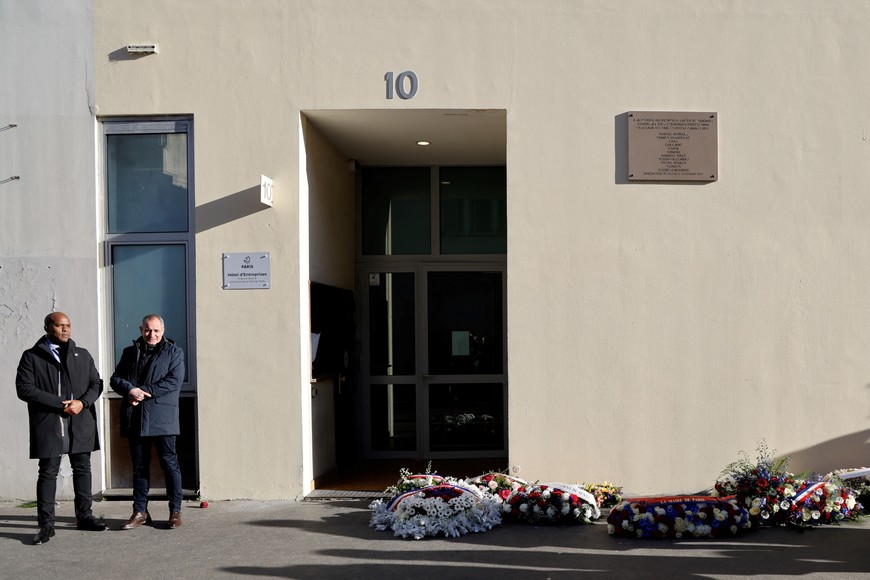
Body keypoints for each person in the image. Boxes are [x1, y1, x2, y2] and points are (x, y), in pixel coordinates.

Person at [15, 312, 107, 544]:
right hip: (49, 423)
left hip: (80, 421)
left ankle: (84, 516)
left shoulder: (82, 355)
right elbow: (24, 389)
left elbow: (96, 384)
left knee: (83, 469)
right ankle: (46, 525)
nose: (66, 329)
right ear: (47, 327)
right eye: (60, 325)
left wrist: (82, 403)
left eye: (68, 325)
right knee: (48, 472)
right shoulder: (32, 356)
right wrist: (60, 404)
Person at [110, 314, 185, 530]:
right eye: (147, 330)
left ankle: (175, 512)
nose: (151, 335)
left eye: (156, 331)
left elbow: (173, 381)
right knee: (139, 468)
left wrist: (144, 391)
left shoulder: (174, 353)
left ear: (163, 330)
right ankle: (140, 511)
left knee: (169, 464)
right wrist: (130, 390)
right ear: (141, 329)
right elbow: (116, 379)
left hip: (163, 419)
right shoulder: (129, 352)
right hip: (136, 418)